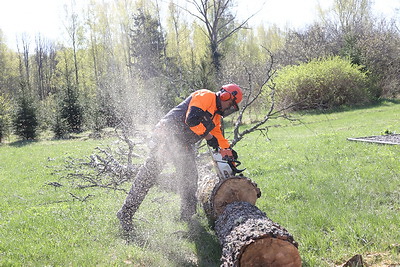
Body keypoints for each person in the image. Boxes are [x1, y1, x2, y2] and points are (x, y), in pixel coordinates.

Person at [117, 84, 243, 232]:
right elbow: (192, 119)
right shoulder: (205, 96)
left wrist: (228, 154)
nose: (229, 108)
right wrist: (208, 137)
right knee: (149, 175)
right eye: (230, 104)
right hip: (167, 136)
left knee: (190, 176)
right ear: (225, 96)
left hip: (182, 143)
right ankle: (126, 213)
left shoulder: (215, 116)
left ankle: (187, 218)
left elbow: (219, 138)